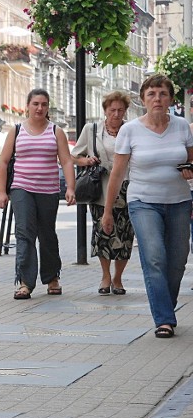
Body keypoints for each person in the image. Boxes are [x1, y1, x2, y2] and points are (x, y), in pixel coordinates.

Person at [102, 74, 193, 339]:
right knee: (154, 257)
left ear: (170, 99)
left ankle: (165, 305)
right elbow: (117, 174)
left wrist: (189, 171)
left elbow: (190, 161)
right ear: (143, 99)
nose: (157, 98)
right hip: (142, 202)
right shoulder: (130, 130)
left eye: (162, 94)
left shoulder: (181, 127)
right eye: (151, 94)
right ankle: (164, 319)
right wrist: (107, 211)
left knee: (177, 262)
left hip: (178, 201)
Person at [0, 88, 76, 300]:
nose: (39, 108)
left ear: (48, 107)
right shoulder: (16, 130)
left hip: (48, 190)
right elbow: (3, 162)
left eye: (43, 104)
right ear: (28, 106)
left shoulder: (55, 131)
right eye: (35, 104)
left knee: (47, 234)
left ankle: (52, 278)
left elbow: (66, 160)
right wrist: (2, 192)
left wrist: (70, 187)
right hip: (21, 188)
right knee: (24, 234)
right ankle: (25, 282)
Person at [71, 91, 134, 296]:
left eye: (120, 110)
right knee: (102, 233)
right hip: (101, 187)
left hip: (127, 187)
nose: (116, 114)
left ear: (125, 111)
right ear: (105, 110)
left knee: (125, 234)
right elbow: (74, 156)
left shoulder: (132, 129)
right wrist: (86, 160)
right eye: (112, 110)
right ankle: (106, 276)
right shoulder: (92, 129)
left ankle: (118, 277)